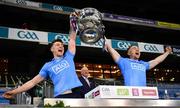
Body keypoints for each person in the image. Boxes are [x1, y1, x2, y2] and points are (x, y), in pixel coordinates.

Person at [3, 12, 82, 98]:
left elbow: (72, 39)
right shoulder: (48, 66)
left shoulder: (68, 56)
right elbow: (32, 82)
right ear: (52, 49)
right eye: (57, 45)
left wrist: (73, 20)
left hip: (77, 93)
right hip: (61, 96)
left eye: (62, 45)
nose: (61, 46)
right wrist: (14, 91)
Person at [104, 39, 172, 86]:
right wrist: (106, 42)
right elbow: (112, 50)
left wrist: (167, 52)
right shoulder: (124, 61)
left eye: (138, 49)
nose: (137, 49)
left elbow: (157, 60)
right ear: (129, 53)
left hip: (143, 95)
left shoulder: (143, 64)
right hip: (130, 94)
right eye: (134, 48)